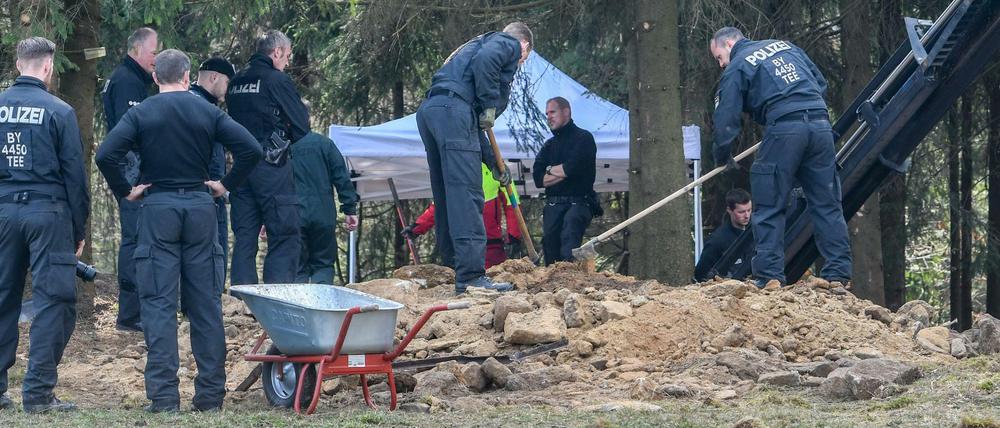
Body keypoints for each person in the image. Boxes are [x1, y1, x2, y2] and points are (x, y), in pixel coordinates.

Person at [96, 49, 261, 413]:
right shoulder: (208, 111)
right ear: (187, 77)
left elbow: (105, 154)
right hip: (201, 210)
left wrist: (127, 189)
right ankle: (209, 396)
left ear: (156, 77)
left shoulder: (141, 113)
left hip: (157, 209)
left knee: (158, 304)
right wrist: (224, 184)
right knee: (204, 305)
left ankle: (165, 398)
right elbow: (251, 149)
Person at [709, 27, 852, 289]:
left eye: (719, 57)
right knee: (827, 203)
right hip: (820, 127)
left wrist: (722, 154)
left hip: (785, 129)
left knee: (768, 203)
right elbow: (820, 83)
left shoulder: (738, 65)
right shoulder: (786, 46)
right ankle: (838, 275)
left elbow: (726, 116)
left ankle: (769, 276)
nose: (721, 64)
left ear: (729, 43)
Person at [0, 37, 90, 413]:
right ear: (49, 67)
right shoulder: (59, 110)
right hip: (48, 214)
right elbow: (75, 176)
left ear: (19, 64)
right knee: (55, 301)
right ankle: (37, 394)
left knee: (2, 297)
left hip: (3, 212)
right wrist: (78, 229)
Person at [415, 22, 533, 294]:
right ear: (524, 45)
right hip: (452, 111)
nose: (519, 63)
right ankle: (470, 277)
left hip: (433, 112)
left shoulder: (469, 51)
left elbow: (470, 130)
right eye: (523, 59)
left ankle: (453, 266)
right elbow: (487, 61)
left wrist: (493, 162)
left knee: (447, 192)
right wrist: (490, 104)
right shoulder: (508, 43)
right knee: (467, 193)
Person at [227, 30, 310, 285]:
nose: (287, 62)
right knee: (284, 234)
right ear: (276, 53)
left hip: (240, 168)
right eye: (287, 56)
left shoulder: (236, 81)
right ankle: (278, 300)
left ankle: (242, 300)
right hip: (271, 166)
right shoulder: (276, 80)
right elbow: (302, 125)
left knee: (245, 237)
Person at [101, 27, 158, 332]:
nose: (156, 58)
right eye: (153, 51)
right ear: (137, 49)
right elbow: (132, 133)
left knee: (136, 239)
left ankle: (135, 312)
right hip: (130, 171)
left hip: (132, 169)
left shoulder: (133, 80)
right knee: (134, 240)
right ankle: (130, 315)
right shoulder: (126, 82)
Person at [403, 163, 522, 269]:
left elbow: (512, 203)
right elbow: (439, 207)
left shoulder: (496, 167)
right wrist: (416, 228)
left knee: (494, 281)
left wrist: (514, 235)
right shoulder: (455, 171)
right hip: (464, 243)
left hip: (490, 243)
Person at [532, 97, 597, 266]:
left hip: (578, 203)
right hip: (553, 206)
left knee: (569, 250)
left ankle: (571, 288)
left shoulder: (584, 138)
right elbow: (538, 178)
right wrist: (561, 171)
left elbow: (572, 168)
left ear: (566, 112)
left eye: (552, 112)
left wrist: (551, 169)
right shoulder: (549, 145)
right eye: (546, 113)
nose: (549, 117)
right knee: (551, 254)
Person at [190, 57, 237, 283]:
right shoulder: (205, 108)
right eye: (227, 83)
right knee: (212, 256)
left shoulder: (186, 101)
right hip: (208, 192)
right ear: (215, 77)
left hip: (192, 194)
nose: (227, 90)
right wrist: (222, 185)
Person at [291, 131, 359, 284]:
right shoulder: (325, 144)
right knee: (323, 264)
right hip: (323, 213)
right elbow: (341, 177)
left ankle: (297, 305)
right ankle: (320, 304)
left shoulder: (282, 145)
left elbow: (272, 182)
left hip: (293, 214)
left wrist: (268, 217)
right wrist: (349, 209)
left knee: (297, 266)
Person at [694, 188, 754, 281]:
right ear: (729, 210)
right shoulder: (717, 240)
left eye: (749, 210)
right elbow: (701, 274)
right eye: (741, 212)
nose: (747, 216)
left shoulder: (757, 232)